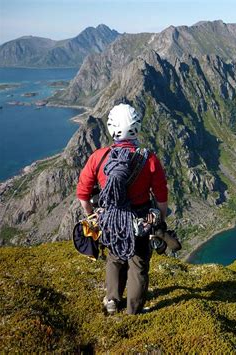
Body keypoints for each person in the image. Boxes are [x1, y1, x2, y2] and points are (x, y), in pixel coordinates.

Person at [76, 103, 168, 315]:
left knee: (115, 258)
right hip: (140, 220)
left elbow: (83, 194)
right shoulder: (149, 159)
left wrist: (93, 215)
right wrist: (159, 220)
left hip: (111, 219)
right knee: (138, 264)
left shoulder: (99, 158)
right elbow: (161, 197)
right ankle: (133, 310)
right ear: (136, 127)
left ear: (111, 128)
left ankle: (111, 301)